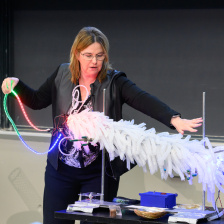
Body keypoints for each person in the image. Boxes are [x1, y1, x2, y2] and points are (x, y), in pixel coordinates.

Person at [1, 26, 202, 224]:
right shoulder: (61, 74)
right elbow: (36, 100)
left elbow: (143, 99)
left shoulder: (115, 81)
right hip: (60, 170)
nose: (94, 61)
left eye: (100, 55)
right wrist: (16, 84)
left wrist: (173, 118)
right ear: (77, 54)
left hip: (100, 173)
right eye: (88, 55)